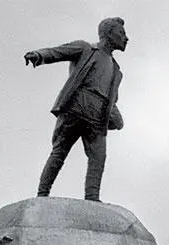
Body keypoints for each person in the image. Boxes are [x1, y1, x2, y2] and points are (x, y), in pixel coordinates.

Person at [24, 17, 128, 201]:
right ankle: (42, 195)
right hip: (75, 108)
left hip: (97, 117)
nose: (126, 38)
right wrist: (39, 55)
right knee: (59, 152)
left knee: (99, 157)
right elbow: (58, 52)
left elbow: (111, 98)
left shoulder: (116, 70)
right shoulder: (86, 49)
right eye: (122, 33)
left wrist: (117, 118)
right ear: (109, 34)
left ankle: (92, 197)